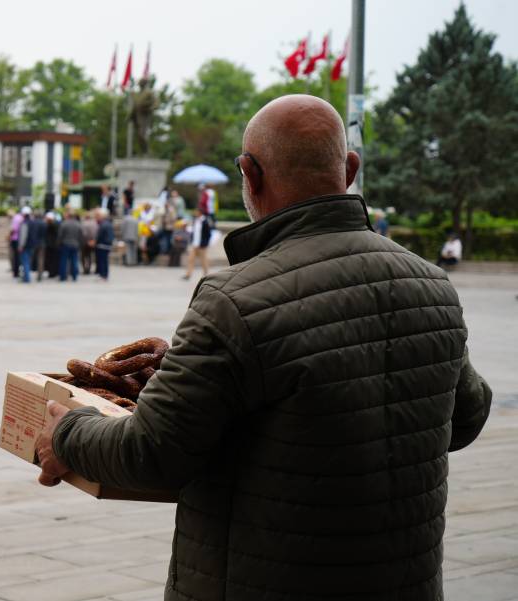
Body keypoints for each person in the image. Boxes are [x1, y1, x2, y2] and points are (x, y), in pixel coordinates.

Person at [36, 94, 492, 600]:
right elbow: (467, 417)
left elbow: (152, 453)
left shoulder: (234, 300)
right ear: (350, 170)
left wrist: (69, 431)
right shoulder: (432, 285)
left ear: (250, 175)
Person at [182, 206, 212, 281]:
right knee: (190, 259)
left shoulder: (205, 221)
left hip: (202, 245)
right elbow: (193, 231)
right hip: (194, 244)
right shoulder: (195, 220)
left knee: (203, 260)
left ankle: (206, 274)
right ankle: (188, 274)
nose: (195, 213)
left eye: (196, 212)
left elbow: (208, 234)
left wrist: (205, 243)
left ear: (200, 212)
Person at [58, 209, 83, 282]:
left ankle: (63, 277)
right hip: (75, 245)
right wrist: (80, 244)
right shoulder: (78, 224)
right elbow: (81, 236)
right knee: (74, 260)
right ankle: (74, 276)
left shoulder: (64, 223)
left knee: (64, 261)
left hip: (65, 244)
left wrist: (59, 243)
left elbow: (60, 235)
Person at [94, 208, 113, 281]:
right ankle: (104, 275)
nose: (97, 217)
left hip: (103, 245)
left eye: (98, 216)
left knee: (102, 261)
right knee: (104, 261)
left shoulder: (103, 224)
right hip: (107, 245)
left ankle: (103, 275)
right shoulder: (108, 223)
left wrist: (96, 242)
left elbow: (99, 235)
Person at [9, 207, 25, 278]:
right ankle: (18, 271)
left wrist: (9, 236)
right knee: (19, 257)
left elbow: (14, 229)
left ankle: (16, 272)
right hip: (21, 239)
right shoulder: (22, 218)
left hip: (15, 239)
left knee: (16, 257)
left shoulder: (16, 218)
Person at [79, 209, 97, 275]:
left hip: (84, 242)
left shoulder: (83, 223)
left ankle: (85, 269)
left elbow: (83, 234)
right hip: (92, 242)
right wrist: (93, 240)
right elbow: (96, 233)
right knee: (89, 256)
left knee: (83, 256)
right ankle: (89, 268)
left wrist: (87, 241)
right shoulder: (94, 223)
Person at [43, 212, 60, 279]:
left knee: (50, 260)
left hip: (50, 245)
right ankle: (54, 272)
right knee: (53, 260)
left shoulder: (49, 225)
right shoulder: (57, 224)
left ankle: (52, 272)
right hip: (54, 245)